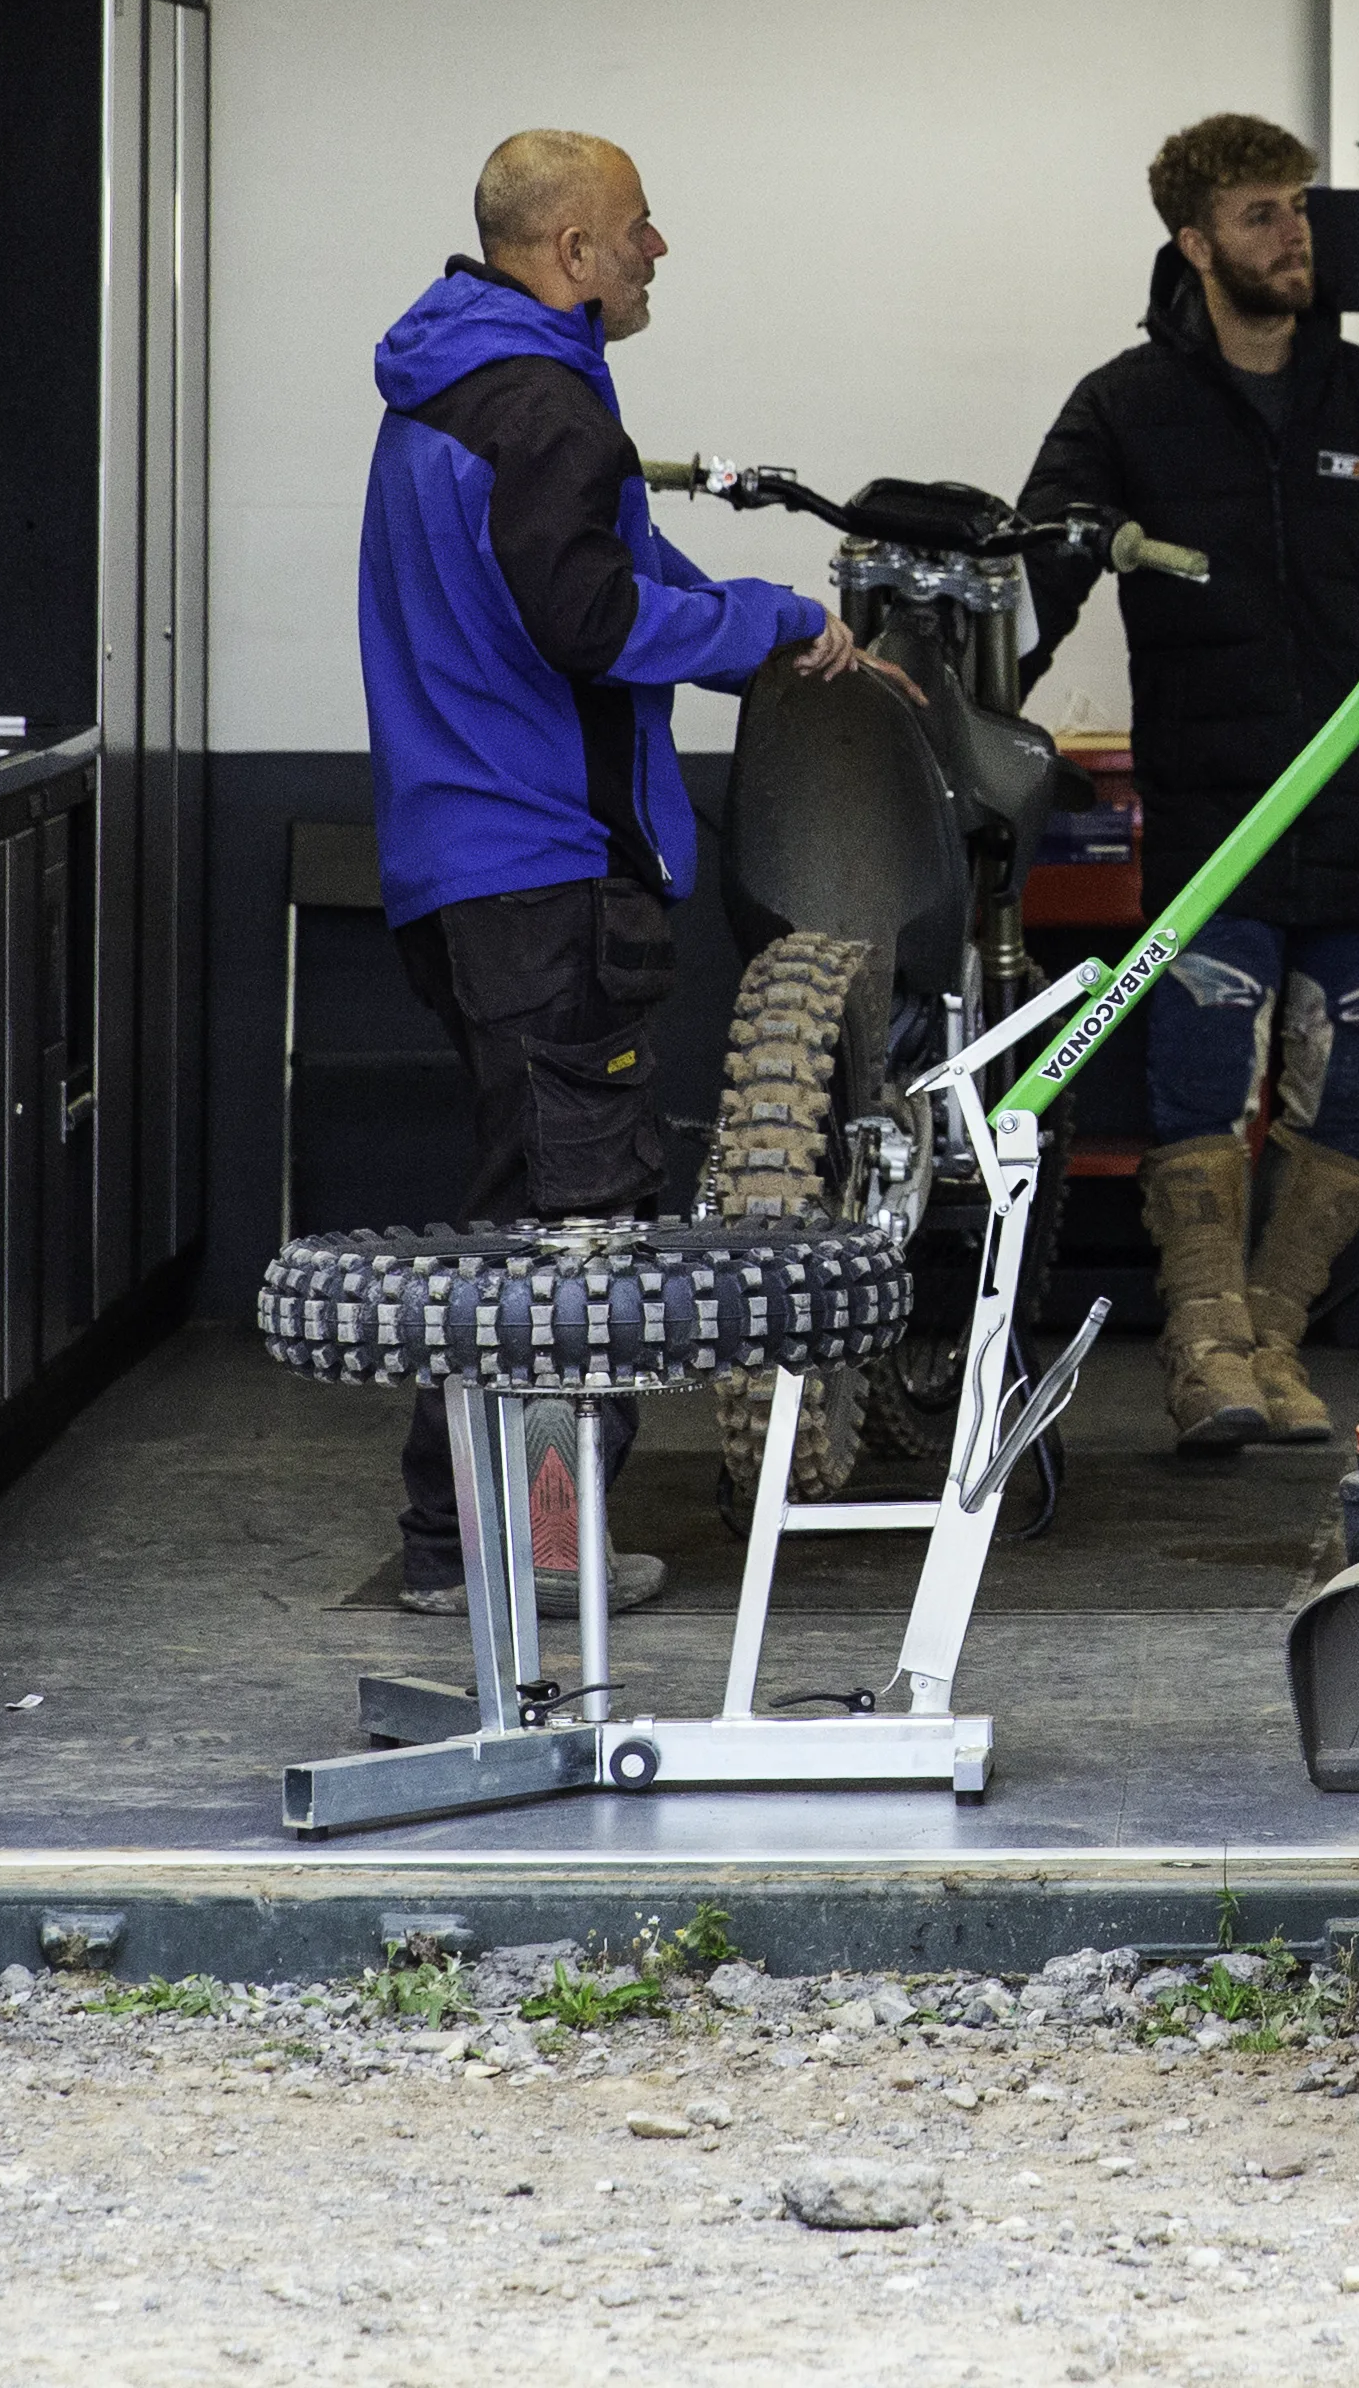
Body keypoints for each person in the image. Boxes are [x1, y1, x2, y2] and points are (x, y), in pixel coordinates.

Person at [356, 128, 866, 1608]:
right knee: (578, 1230)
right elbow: (585, 620)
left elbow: (617, 571)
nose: (660, 250)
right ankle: (505, 1558)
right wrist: (765, 629)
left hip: (459, 866)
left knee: (526, 1205)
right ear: (570, 254)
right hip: (543, 872)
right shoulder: (547, 409)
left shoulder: (461, 387)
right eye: (640, 228)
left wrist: (762, 612)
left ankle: (480, 1542)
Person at [1019, 112, 1359, 1453]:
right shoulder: (1126, 405)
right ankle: (1202, 1354)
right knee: (1195, 1087)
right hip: (1214, 824)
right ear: (1194, 243)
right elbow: (1040, 574)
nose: (1292, 235)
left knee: (1349, 1097)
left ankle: (1276, 1348)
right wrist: (961, 720)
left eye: (1299, 208)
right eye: (1259, 215)